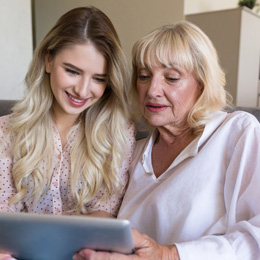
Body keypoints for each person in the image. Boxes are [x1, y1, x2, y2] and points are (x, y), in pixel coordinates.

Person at [75, 21, 260, 260]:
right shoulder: (129, 153)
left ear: (202, 85)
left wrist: (169, 255)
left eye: (171, 78)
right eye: (144, 76)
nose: (152, 90)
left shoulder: (236, 132)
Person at [0, 6, 135, 260]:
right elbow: (4, 215)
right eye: (72, 71)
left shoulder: (119, 133)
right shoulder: (5, 130)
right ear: (48, 60)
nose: (83, 91)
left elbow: (105, 214)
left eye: (98, 78)